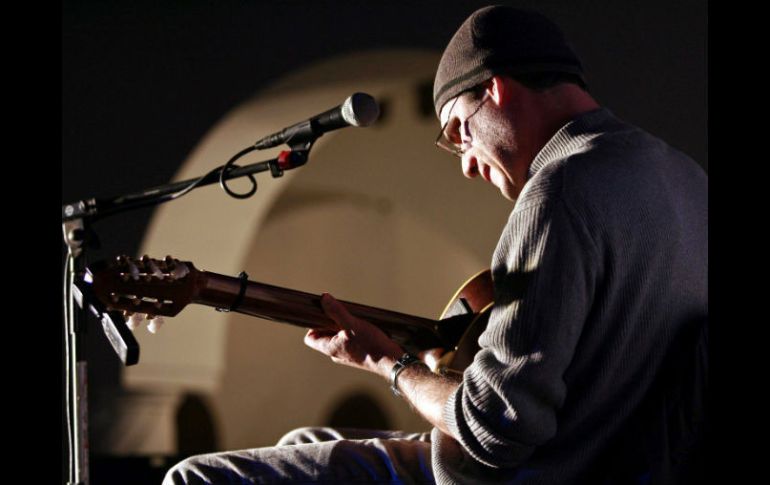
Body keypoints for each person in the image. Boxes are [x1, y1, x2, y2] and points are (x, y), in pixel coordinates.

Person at [164, 6, 707, 484]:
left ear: (494, 88)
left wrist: (389, 363)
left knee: (198, 477)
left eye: (458, 131)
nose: (467, 163)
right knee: (304, 442)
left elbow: (495, 426)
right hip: (609, 462)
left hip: (537, 473)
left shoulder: (560, 188)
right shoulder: (686, 178)